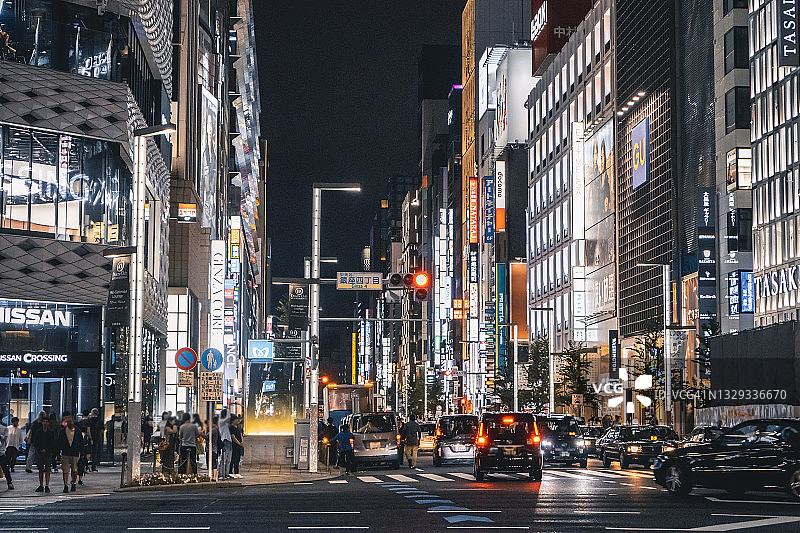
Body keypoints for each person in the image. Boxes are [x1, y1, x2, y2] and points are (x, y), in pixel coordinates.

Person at [56, 413, 81, 493]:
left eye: (71, 421)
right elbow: (59, 442)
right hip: (65, 452)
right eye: (68, 422)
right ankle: (65, 485)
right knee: (65, 470)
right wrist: (58, 452)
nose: (70, 423)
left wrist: (82, 453)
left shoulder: (78, 431)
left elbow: (80, 442)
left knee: (74, 470)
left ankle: (73, 482)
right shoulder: (63, 431)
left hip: (75, 452)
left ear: (73, 421)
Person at [32, 416, 56, 493]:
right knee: (40, 470)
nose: (45, 423)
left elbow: (52, 443)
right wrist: (40, 449)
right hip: (39, 453)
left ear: (48, 423)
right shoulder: (38, 432)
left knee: (47, 469)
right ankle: (41, 485)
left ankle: (47, 485)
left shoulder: (51, 432)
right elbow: (36, 442)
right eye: (44, 421)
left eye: (46, 421)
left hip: (48, 453)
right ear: (42, 422)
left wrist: (46, 449)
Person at [218, 409, 232, 480]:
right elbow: (228, 418)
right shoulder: (221, 421)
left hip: (229, 441)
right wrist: (228, 410)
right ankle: (221, 474)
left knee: (228, 459)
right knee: (224, 459)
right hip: (225, 441)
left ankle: (226, 474)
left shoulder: (224, 423)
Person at [0, 422, 14, 490]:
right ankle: (9, 483)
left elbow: (5, 439)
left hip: (1, 452)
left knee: (5, 468)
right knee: (5, 469)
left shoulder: (4, 428)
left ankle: (9, 482)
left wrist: (1, 436)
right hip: (1, 452)